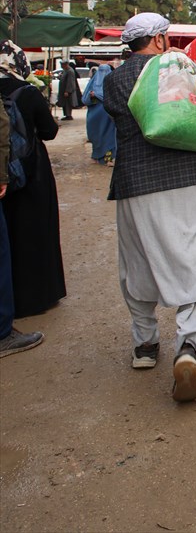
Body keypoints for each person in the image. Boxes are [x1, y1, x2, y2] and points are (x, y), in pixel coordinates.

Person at [104, 13, 196, 403]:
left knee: (138, 262)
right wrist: (184, 67)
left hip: (135, 184)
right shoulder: (179, 66)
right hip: (188, 179)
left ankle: (144, 347)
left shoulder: (114, 79)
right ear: (158, 40)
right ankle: (189, 347)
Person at [0, 41, 66, 319]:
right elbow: (49, 131)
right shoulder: (27, 92)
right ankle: (38, 296)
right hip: (31, 171)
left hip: (1, 174)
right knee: (36, 231)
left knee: (7, 237)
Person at [0, 66, 44, 358]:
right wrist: (2, 175)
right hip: (29, 176)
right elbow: (2, 128)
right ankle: (3, 332)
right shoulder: (27, 91)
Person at [82, 64, 117, 166]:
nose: (103, 74)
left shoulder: (113, 82)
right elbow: (85, 99)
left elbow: (115, 96)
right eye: (101, 71)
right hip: (95, 116)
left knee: (109, 138)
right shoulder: (92, 84)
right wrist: (92, 96)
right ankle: (97, 157)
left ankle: (109, 158)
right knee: (96, 136)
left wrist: (99, 95)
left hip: (108, 116)